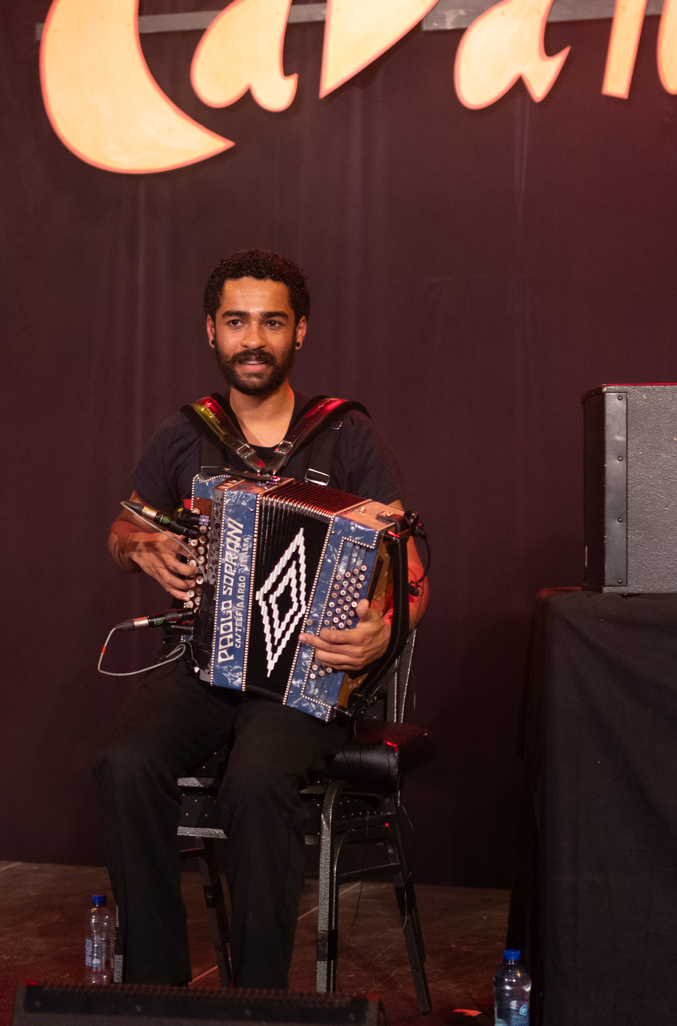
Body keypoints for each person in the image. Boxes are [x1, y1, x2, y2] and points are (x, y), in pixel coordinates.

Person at [97, 249, 429, 989]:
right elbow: (123, 530)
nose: (253, 339)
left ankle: (257, 1001)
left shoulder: (345, 435)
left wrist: (385, 627)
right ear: (210, 330)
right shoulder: (185, 433)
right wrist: (141, 548)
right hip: (201, 664)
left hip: (307, 675)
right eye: (237, 322)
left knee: (256, 781)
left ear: (299, 331)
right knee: (124, 764)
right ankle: (155, 990)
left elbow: (409, 566)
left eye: (272, 323)